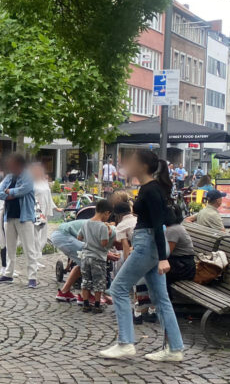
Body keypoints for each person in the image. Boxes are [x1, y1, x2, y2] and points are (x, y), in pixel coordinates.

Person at [101, 149, 186, 362]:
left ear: (142, 166)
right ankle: (174, 349)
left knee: (118, 288)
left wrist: (163, 258)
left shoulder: (151, 190)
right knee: (160, 298)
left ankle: (125, 343)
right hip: (150, 243)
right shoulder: (152, 188)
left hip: (147, 244)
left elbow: (158, 224)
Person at [0, 154, 40, 288]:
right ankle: (8, 274)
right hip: (9, 217)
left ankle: (32, 277)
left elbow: (23, 190)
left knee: (29, 248)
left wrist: (9, 192)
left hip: (24, 217)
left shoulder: (28, 176)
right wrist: (10, 193)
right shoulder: (9, 177)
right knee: (10, 248)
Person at [77, 199, 114, 313]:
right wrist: (108, 233)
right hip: (98, 257)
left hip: (85, 256)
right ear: (106, 213)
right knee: (99, 281)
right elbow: (103, 243)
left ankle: (86, 303)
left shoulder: (86, 223)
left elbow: (79, 237)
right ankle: (97, 305)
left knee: (86, 280)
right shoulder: (103, 226)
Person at [52, 218, 87, 302]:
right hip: (64, 236)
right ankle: (85, 296)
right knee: (88, 263)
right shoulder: (105, 228)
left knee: (81, 263)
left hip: (58, 234)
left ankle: (64, 292)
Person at [164, 212, 197, 284]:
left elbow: (166, 253)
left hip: (183, 267)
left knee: (158, 270)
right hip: (183, 265)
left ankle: (165, 294)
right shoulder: (176, 227)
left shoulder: (173, 230)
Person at [31, 162, 55, 258]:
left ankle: (38, 254)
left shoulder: (44, 181)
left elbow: (49, 196)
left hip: (45, 209)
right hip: (36, 209)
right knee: (36, 234)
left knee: (43, 235)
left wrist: (54, 206)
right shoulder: (32, 182)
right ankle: (35, 256)